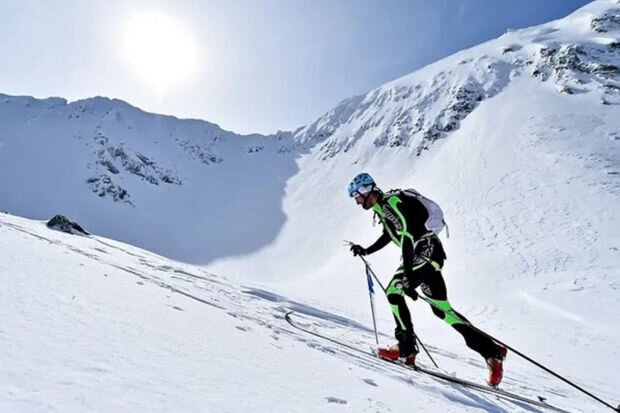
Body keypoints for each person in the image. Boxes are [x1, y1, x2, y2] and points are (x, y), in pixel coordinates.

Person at [347, 172, 507, 387]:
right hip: (427, 256)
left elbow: (408, 236)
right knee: (442, 310)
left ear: (366, 191)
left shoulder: (391, 202)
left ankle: (406, 350)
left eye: (356, 196)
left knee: (394, 292)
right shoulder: (383, 210)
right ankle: (492, 352)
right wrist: (367, 250)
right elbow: (389, 235)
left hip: (423, 252)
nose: (356, 202)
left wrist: (410, 276)